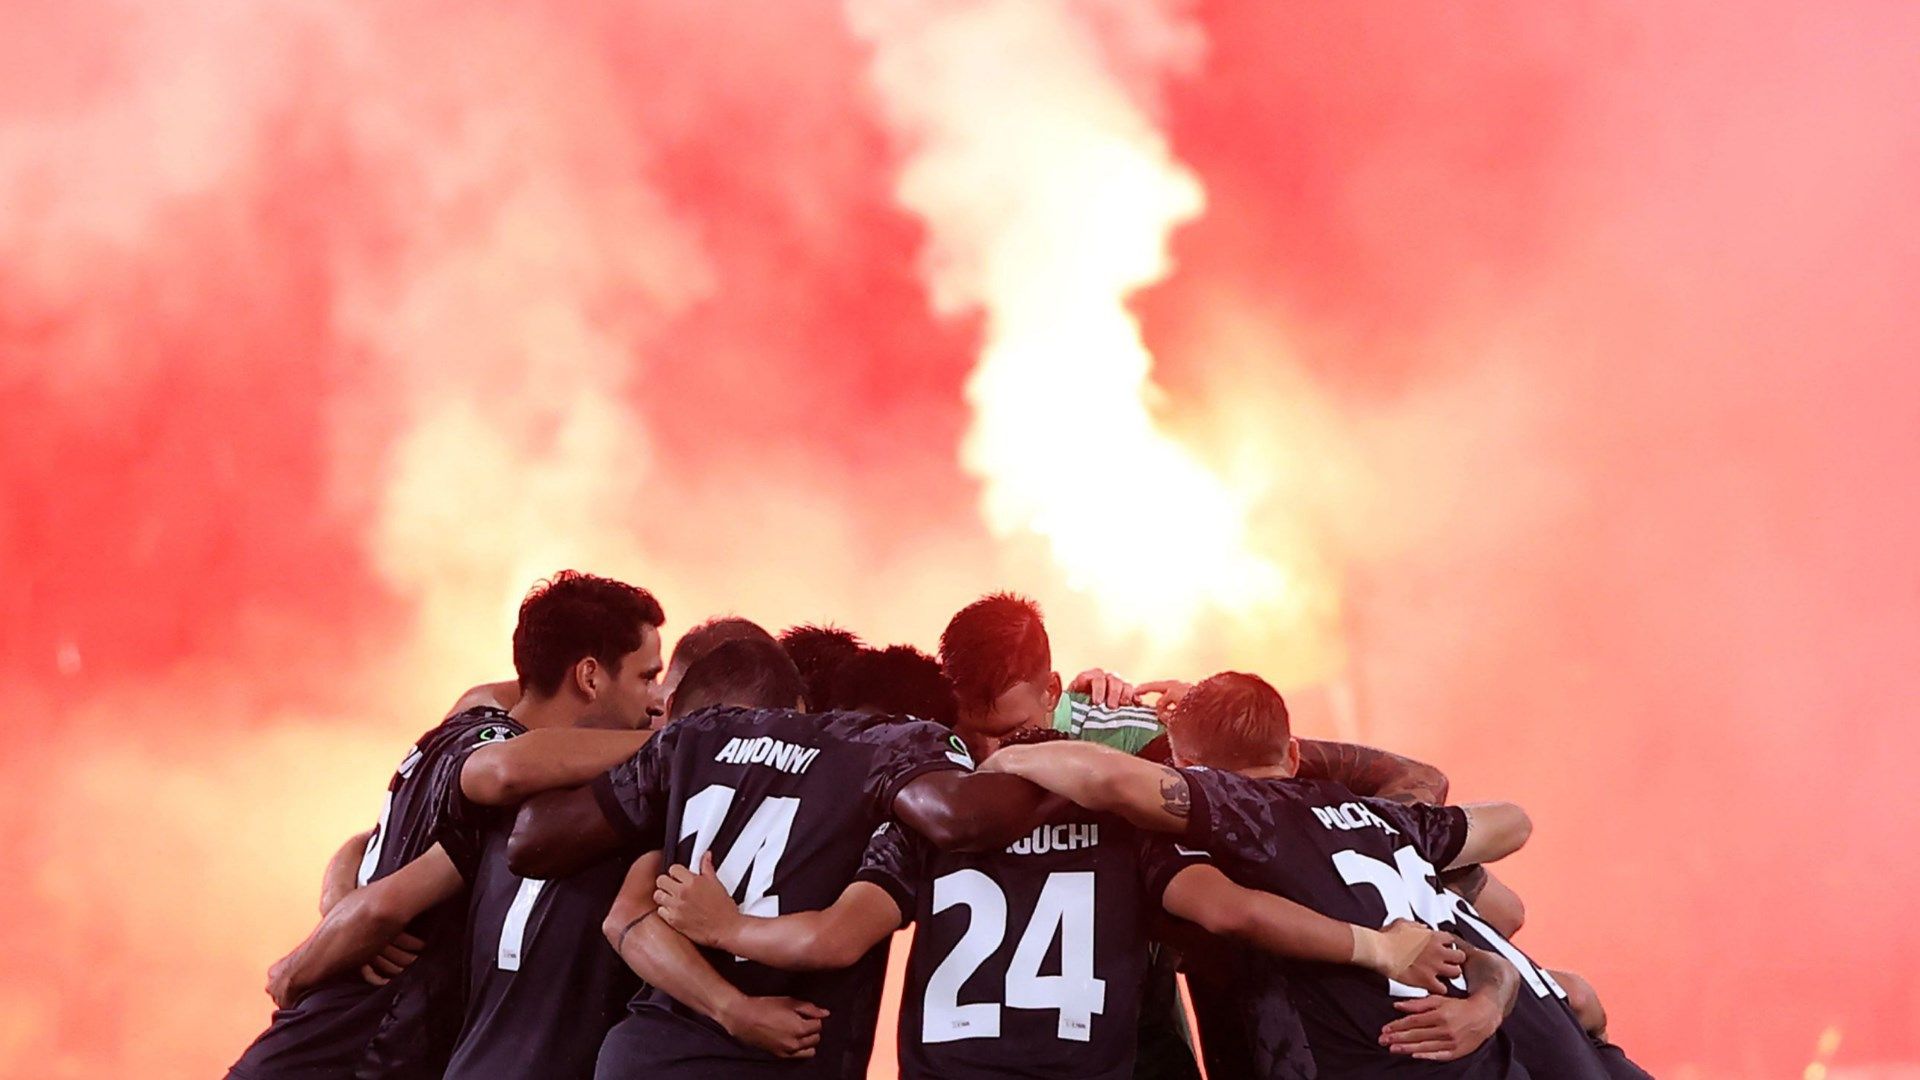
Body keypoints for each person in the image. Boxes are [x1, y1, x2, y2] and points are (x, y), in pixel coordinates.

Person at [651, 726, 1467, 1079]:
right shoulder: (1126, 834)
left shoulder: (928, 827)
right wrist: (1373, 944)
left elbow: (835, 939)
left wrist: (731, 928)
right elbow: (1228, 910)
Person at [936, 592, 1457, 1078]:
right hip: (991, 1048)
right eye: (972, 730)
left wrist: (1349, 849)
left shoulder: (1138, 734)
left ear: (1051, 691)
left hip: (1166, 1038)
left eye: (1010, 732)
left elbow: (1409, 781)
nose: (987, 752)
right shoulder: (932, 748)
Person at [983, 672, 1533, 1079]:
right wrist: (1489, 999)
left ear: (1185, 767)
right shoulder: (1385, 819)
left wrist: (1003, 764)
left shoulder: (1228, 815)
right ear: (1293, 753)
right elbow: (1509, 874)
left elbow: (1227, 909)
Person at [228, 571, 666, 1080]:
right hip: (355, 1056)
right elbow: (495, 777)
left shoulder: (468, 711)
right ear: (589, 677)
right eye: (645, 678)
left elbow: (361, 844)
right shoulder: (508, 775)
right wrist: (683, 743)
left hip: (303, 1047)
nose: (656, 701)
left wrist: (336, 898)